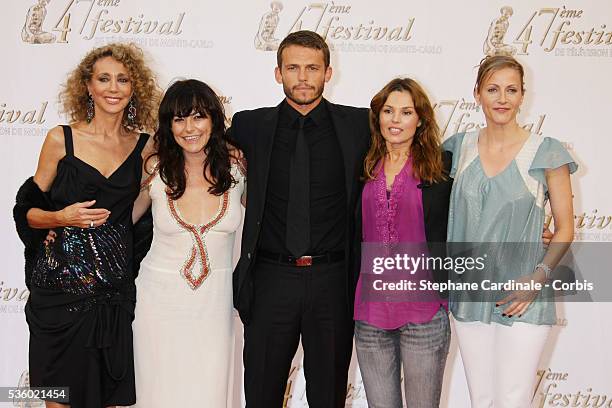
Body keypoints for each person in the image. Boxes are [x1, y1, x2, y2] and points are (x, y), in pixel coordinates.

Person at [12, 43, 160, 408]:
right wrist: (61, 217)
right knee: (57, 399)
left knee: (109, 399)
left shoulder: (145, 146)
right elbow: (27, 210)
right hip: (59, 295)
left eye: (122, 79)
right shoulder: (60, 139)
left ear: (134, 88)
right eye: (104, 79)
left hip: (112, 297)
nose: (113, 87)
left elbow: (135, 214)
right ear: (88, 87)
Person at [231, 30, 370, 407]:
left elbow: (414, 160)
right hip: (270, 279)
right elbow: (194, 145)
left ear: (328, 72)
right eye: (293, 67)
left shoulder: (361, 126)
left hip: (333, 281)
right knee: (261, 392)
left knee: (328, 395)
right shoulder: (249, 126)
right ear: (278, 73)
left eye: (312, 68)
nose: (303, 77)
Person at [443, 55, 577, 407]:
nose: (502, 98)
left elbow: (564, 228)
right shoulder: (457, 148)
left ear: (522, 96)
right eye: (493, 89)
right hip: (470, 295)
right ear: (477, 94)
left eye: (511, 90)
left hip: (523, 297)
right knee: (482, 400)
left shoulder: (547, 151)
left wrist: (538, 278)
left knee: (513, 400)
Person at [130, 79, 245, 407]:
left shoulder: (238, 170)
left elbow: (273, 218)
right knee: (156, 392)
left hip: (214, 305)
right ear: (167, 126)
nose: (189, 128)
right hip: (157, 303)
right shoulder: (154, 169)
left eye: (198, 117)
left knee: (208, 391)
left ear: (213, 120)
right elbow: (122, 222)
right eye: (178, 119)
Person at [353, 78, 452, 407]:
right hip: (370, 314)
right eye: (388, 111)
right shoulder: (363, 166)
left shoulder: (442, 167)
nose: (395, 120)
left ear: (420, 119)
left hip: (423, 312)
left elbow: (477, 207)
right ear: (378, 116)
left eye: (406, 112)